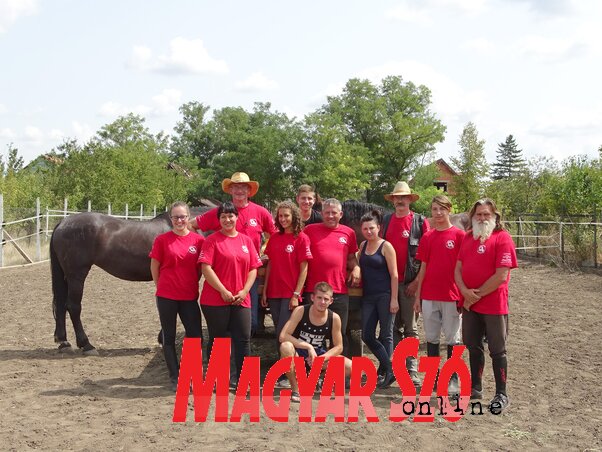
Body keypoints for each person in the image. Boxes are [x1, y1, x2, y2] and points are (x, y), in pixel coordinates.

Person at [189, 171, 277, 336]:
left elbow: (275, 234)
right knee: (222, 325)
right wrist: (204, 247)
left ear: (249, 191)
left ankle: (240, 357)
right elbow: (191, 225)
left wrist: (267, 251)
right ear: (230, 190)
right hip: (223, 274)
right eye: (235, 187)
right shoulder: (221, 212)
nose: (239, 191)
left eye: (243, 187)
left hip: (249, 274)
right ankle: (223, 357)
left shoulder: (260, 212)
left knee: (248, 324)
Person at [454, 198, 517, 412]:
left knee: (498, 349)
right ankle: (476, 387)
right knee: (473, 345)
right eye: (478, 214)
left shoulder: (503, 238)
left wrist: (475, 295)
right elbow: (458, 269)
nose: (482, 218)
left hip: (494, 305)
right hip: (471, 304)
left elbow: (501, 276)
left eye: (486, 214)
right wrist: (464, 292)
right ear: (473, 217)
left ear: (494, 216)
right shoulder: (468, 237)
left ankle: (501, 393)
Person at [198, 202, 264, 387]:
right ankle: (217, 378)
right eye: (223, 216)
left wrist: (244, 291)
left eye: (230, 216)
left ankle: (243, 378)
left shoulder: (246, 241)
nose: (227, 219)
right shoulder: (212, 241)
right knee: (218, 339)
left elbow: (253, 268)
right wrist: (223, 291)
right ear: (219, 220)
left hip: (241, 299)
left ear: (237, 217)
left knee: (244, 338)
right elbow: (206, 268)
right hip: (215, 300)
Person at [149, 201, 205, 391]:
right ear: (171, 219)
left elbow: (200, 269)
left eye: (183, 217)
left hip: (189, 296)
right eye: (176, 217)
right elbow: (154, 267)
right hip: (167, 296)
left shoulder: (198, 241)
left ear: (188, 217)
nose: (179, 220)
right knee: (169, 336)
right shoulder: (162, 240)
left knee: (195, 336)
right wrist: (161, 287)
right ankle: (175, 376)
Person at [413, 195, 465, 395]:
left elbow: (464, 267)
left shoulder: (459, 236)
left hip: (451, 294)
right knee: (432, 338)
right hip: (429, 295)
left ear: (449, 209)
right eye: (435, 209)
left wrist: (462, 293)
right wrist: (418, 296)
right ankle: (434, 377)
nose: (438, 213)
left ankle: (452, 379)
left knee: (453, 338)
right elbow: (423, 267)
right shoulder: (428, 237)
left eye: (442, 209)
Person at [382, 181, 430, 386]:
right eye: (396, 198)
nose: (400, 201)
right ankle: (397, 368)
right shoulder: (385, 221)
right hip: (389, 283)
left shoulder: (419, 222)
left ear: (410, 199)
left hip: (410, 283)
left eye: (403, 197)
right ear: (392, 200)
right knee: (392, 328)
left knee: (410, 328)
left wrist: (417, 282)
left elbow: (427, 256)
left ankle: (411, 370)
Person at [261, 201, 313, 386]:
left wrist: (296, 293)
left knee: (286, 334)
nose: (283, 219)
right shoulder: (274, 238)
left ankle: (293, 373)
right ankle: (285, 371)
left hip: (291, 294)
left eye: (286, 216)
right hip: (274, 293)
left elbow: (304, 268)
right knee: (279, 334)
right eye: (280, 216)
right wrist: (265, 290)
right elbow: (271, 265)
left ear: (294, 217)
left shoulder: (302, 238)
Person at [303, 198, 361, 358]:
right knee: (313, 335)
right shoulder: (309, 230)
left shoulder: (348, 233)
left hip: (339, 292)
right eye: (327, 213)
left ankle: (339, 374)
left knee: (339, 334)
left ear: (340, 214)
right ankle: (315, 374)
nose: (330, 216)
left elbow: (351, 258)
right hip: (314, 292)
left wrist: (356, 267)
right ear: (321, 214)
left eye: (334, 213)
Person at [279, 281, 352, 403]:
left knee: (351, 367)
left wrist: (321, 359)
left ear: (331, 301)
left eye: (326, 299)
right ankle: (296, 388)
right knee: (285, 347)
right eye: (319, 298)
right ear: (312, 297)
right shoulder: (301, 311)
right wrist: (308, 347)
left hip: (319, 357)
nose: (322, 302)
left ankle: (320, 380)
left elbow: (339, 347)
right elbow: (283, 336)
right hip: (298, 355)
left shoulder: (334, 318)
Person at [358, 210, 399, 388]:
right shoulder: (362, 246)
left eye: (372, 228)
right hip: (368, 296)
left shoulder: (386, 246)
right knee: (367, 334)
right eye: (365, 228)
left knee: (386, 335)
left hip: (385, 295)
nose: (369, 231)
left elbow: (395, 275)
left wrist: (394, 299)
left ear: (379, 228)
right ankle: (391, 368)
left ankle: (384, 372)